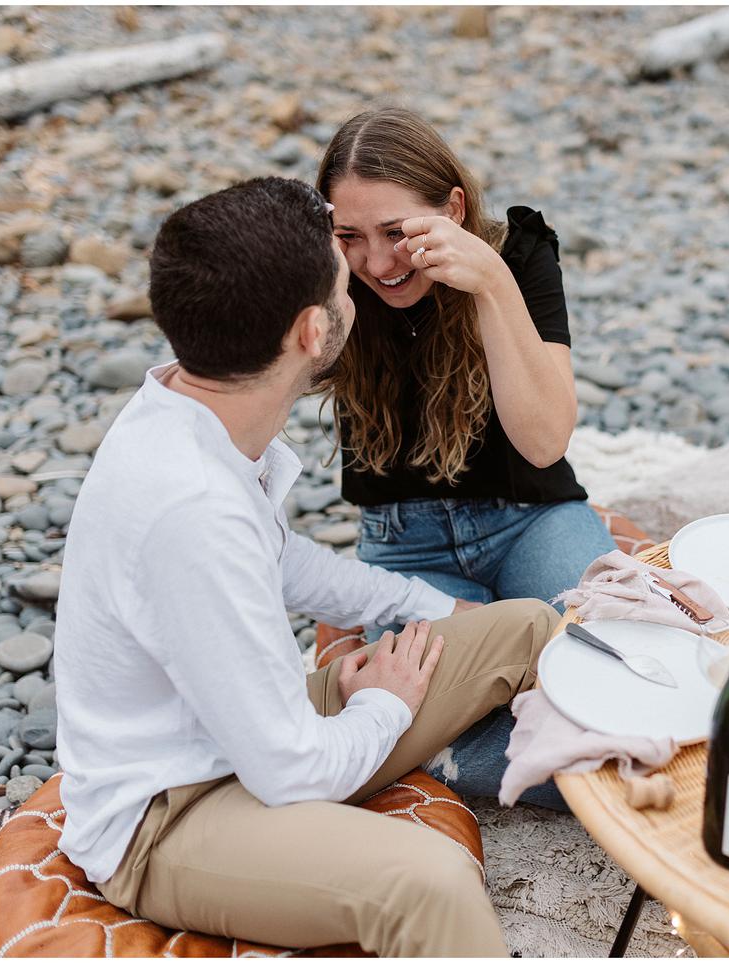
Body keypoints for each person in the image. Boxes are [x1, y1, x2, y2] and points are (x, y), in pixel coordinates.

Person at [53, 176, 555, 956]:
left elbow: (286, 561)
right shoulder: (190, 508)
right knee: (431, 881)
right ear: (312, 332)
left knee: (524, 626)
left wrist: (431, 607)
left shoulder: (188, 409)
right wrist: (379, 707)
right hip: (173, 812)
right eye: (341, 273)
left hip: (253, 727)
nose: (359, 279)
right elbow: (291, 770)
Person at [314, 106, 615, 620]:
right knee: (449, 693)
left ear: (453, 209)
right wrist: (320, 271)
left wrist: (491, 281)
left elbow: (544, 443)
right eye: (351, 236)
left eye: (395, 232)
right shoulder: (332, 277)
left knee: (607, 647)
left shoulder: (519, 254)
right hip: (407, 548)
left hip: (532, 519)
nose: (380, 264)